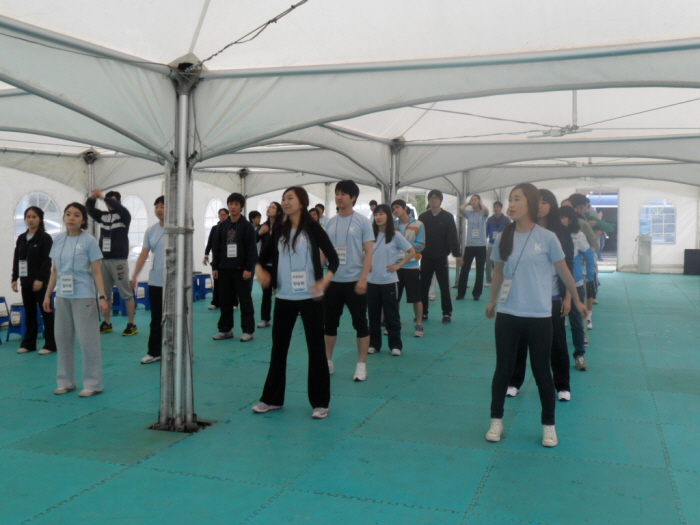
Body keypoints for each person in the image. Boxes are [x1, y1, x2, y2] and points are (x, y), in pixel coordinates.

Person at [485, 184, 586, 448]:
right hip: (508, 314)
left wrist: (576, 299)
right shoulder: (504, 236)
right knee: (503, 370)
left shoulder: (548, 237)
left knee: (542, 372)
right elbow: (498, 271)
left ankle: (549, 425)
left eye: (516, 199)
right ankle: (496, 421)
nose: (511, 204)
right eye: (510, 199)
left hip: (540, 315)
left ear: (529, 203)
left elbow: (563, 270)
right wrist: (492, 301)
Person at [253, 186, 339, 418]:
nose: (285, 202)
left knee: (316, 350)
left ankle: (320, 402)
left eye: (290, 198)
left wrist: (323, 282)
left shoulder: (313, 228)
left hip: (310, 298)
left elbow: (334, 259)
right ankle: (272, 399)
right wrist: (261, 271)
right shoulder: (279, 229)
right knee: (278, 350)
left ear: (302, 202)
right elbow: (261, 258)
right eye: (283, 199)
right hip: (284, 298)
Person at [507, 189, 575, 402]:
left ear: (552, 205)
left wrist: (568, 297)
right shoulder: (522, 229)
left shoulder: (559, 233)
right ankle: (514, 381)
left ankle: (562, 385)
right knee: (520, 342)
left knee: (557, 343)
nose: (541, 206)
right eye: (538, 202)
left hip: (552, 297)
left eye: (546, 202)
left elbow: (568, 266)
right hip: (524, 297)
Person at [43, 203, 108, 397]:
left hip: (84, 296)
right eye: (68, 214)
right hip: (63, 296)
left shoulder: (89, 241)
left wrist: (102, 297)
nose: (71, 218)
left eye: (77, 215)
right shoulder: (58, 240)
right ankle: (65, 381)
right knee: (62, 340)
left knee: (88, 341)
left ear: (83, 220)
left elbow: (97, 272)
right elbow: (55, 271)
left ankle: (93, 384)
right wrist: (48, 294)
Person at [324, 180, 374, 381]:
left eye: (343, 194)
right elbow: (324, 252)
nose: (339, 197)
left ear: (353, 198)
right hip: (333, 281)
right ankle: (328, 361)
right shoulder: (329, 222)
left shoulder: (362, 222)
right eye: (337, 193)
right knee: (329, 323)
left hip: (355, 281)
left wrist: (364, 278)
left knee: (360, 323)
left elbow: (369, 251)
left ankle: (361, 365)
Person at [86, 189, 137, 336]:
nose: (109, 203)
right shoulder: (103, 216)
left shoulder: (124, 215)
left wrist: (103, 197)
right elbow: (89, 209)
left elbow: (118, 207)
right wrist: (93, 198)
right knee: (105, 294)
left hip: (119, 261)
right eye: (108, 201)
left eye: (113, 200)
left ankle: (132, 324)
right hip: (104, 261)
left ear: (119, 202)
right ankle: (107, 323)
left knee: (126, 294)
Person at [367, 204, 415, 356]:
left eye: (381, 214)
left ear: (388, 216)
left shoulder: (395, 235)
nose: (378, 217)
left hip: (389, 281)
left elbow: (411, 251)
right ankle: (374, 344)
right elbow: (364, 252)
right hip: (371, 282)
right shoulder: (369, 235)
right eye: (376, 214)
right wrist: (366, 264)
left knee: (391, 315)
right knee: (373, 315)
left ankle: (395, 345)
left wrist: (399, 265)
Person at [211, 193, 258, 342]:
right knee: (225, 301)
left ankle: (248, 330)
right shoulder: (222, 226)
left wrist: (249, 268)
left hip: (241, 271)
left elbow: (251, 249)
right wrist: (215, 266)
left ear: (241, 207)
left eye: (236, 204)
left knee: (245, 301)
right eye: (231, 204)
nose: (233, 207)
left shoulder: (247, 227)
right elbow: (216, 247)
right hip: (224, 269)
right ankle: (225, 329)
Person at [11, 206, 56, 355]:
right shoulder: (21, 238)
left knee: (46, 312)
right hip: (26, 282)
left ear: (40, 219)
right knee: (29, 313)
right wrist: (14, 278)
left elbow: (47, 261)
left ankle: (51, 344)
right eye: (28, 217)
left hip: (41, 284)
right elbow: (17, 259)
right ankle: (29, 344)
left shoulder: (45, 238)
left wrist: (41, 279)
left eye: (34, 217)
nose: (31, 220)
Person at [559, 205, 596, 372]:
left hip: (576, 284)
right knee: (556, 323)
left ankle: (579, 354)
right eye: (560, 217)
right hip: (556, 285)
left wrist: (590, 275)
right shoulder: (552, 235)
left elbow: (589, 256)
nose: (562, 220)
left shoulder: (578, 235)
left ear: (571, 219)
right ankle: (557, 356)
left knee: (576, 322)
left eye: (565, 217)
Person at [130, 196, 165, 364]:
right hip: (156, 282)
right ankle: (154, 352)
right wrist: (135, 274)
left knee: (178, 317)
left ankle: (181, 351)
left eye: (162, 206)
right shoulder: (151, 231)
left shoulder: (178, 230)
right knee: (156, 318)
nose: (159, 209)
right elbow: (144, 254)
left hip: (175, 283)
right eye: (157, 206)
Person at [418, 189, 462, 323]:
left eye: (436, 198)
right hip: (426, 257)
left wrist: (457, 254)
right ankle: (423, 313)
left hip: (441, 257)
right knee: (423, 286)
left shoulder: (447, 217)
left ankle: (447, 313)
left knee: (444, 286)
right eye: (431, 198)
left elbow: (453, 236)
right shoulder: (423, 217)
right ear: (429, 201)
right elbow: (418, 237)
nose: (434, 200)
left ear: (440, 200)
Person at [391, 199, 425, 337]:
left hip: (412, 266)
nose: (395, 210)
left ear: (405, 208)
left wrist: (404, 244)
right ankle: (394, 324)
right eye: (393, 209)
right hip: (396, 266)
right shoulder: (392, 226)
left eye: (397, 207)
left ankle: (419, 325)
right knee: (394, 298)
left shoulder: (418, 224)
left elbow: (421, 245)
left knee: (416, 298)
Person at [256, 202, 284, 329]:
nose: (269, 209)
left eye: (273, 207)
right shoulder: (264, 226)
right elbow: (253, 240)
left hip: (279, 264)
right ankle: (265, 319)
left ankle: (283, 318)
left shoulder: (281, 227)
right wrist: (260, 233)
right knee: (266, 292)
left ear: (278, 212)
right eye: (269, 207)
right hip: (266, 264)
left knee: (282, 291)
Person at [457, 194, 489, 301]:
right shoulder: (469, 214)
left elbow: (487, 210)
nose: (473, 201)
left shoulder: (483, 213)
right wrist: (468, 203)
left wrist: (481, 204)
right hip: (470, 245)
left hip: (481, 246)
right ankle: (461, 293)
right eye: (472, 200)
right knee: (465, 269)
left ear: (479, 201)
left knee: (480, 271)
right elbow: (460, 209)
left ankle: (477, 294)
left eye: (475, 200)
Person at [204, 208, 229, 310]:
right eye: (220, 215)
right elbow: (210, 243)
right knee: (217, 280)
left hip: (228, 259)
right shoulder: (214, 228)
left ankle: (233, 302)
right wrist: (206, 255)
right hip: (217, 259)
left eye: (224, 215)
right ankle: (215, 302)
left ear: (228, 216)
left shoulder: (231, 228)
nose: (222, 217)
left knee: (229, 282)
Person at [485, 201, 510, 286]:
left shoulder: (506, 220)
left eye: (498, 207)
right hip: (491, 244)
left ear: (501, 208)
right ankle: (488, 280)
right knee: (488, 262)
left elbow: (509, 233)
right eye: (495, 207)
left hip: (501, 245)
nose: (496, 209)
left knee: (501, 263)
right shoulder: (489, 220)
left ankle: (501, 279)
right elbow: (486, 231)